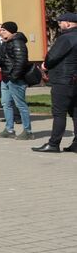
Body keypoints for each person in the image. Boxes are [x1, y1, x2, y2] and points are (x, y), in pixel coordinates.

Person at [33, 12, 77, 153]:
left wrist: (45, 65)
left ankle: (53, 143)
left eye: (61, 22)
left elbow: (52, 56)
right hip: (74, 79)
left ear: (68, 23)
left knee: (59, 113)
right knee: (75, 112)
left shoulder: (65, 38)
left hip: (63, 79)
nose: (59, 24)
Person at [0, 21, 33, 141]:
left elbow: (21, 62)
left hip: (15, 79)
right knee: (6, 103)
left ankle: (28, 131)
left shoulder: (18, 42)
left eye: (3, 30)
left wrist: (14, 77)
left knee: (20, 105)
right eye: (0, 30)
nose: (0, 32)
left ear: (11, 31)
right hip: (6, 77)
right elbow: (6, 59)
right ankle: (9, 130)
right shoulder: (7, 42)